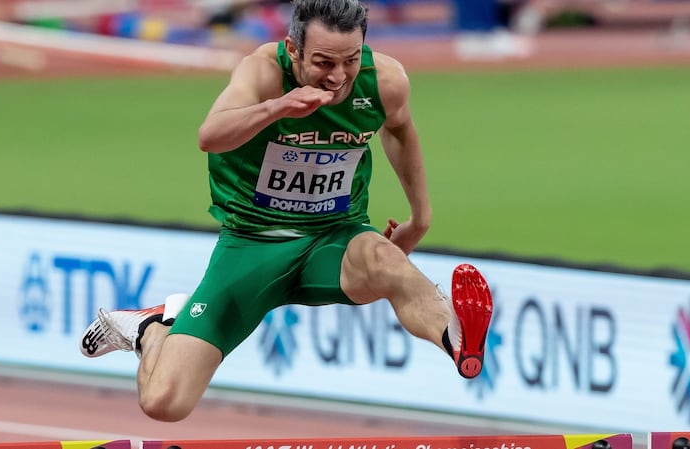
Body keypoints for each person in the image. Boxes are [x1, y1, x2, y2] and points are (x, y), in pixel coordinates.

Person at [79, 0, 493, 423]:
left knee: (386, 260)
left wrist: (419, 217)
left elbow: (400, 129)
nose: (337, 76)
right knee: (164, 403)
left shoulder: (384, 80)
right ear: (293, 50)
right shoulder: (261, 70)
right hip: (252, 246)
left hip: (334, 238)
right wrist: (278, 107)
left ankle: (457, 339)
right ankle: (153, 328)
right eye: (323, 62)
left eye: (350, 60)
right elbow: (211, 135)